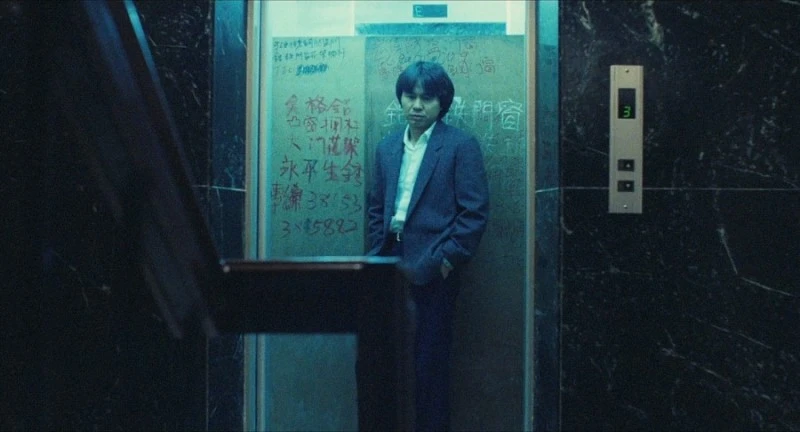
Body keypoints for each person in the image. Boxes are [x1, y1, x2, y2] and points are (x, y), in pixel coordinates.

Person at [367, 61, 490, 431]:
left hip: (434, 264)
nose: (417, 105)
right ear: (401, 98)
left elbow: (474, 212)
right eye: (410, 96)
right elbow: (376, 207)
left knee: (430, 364)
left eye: (427, 98)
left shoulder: (460, 146)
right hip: (388, 261)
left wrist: (446, 260)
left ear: (442, 103)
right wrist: (375, 253)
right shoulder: (387, 147)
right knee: (383, 362)